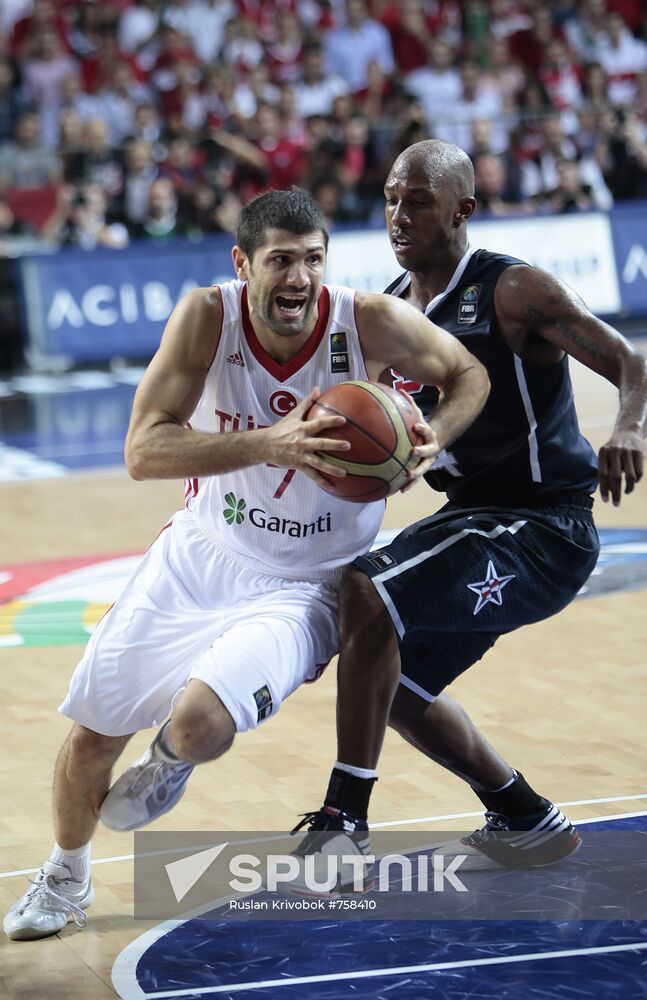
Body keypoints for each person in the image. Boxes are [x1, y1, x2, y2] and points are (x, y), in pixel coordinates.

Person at [4, 187, 489, 940]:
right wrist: (270, 441)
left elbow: (469, 375)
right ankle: (65, 878)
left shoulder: (367, 321)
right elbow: (141, 451)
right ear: (243, 264)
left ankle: (170, 762)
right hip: (203, 552)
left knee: (199, 726)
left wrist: (432, 439)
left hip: (310, 583)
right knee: (93, 737)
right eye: (280, 262)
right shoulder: (207, 316)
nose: (298, 277)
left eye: (312, 261)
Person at [291, 139, 647, 886]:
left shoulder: (512, 290)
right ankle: (524, 816)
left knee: (368, 590)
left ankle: (343, 820)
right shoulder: (393, 311)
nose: (398, 215)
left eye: (418, 201)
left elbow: (636, 365)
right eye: (392, 198)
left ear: (462, 209)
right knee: (390, 685)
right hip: (473, 519)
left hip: (544, 525)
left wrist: (627, 427)